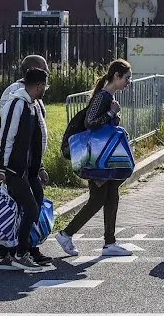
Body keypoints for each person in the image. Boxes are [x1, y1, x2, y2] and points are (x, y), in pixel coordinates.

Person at [55, 59, 133, 257]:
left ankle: (109, 243)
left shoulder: (108, 97)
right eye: (127, 78)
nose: (128, 82)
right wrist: (111, 113)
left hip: (103, 157)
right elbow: (91, 123)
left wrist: (113, 114)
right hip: (96, 157)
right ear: (116, 75)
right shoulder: (102, 97)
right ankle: (66, 234)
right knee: (98, 199)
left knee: (112, 194)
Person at [0, 54, 51, 268]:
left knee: (27, 205)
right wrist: (1, 167)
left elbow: (36, 135)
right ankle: (20, 251)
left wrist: (40, 164)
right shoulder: (17, 99)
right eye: (45, 73)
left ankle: (11, 251)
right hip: (16, 166)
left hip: (30, 165)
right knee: (29, 207)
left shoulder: (32, 101)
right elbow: (7, 134)